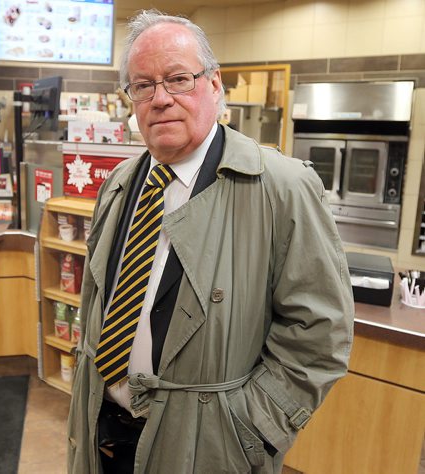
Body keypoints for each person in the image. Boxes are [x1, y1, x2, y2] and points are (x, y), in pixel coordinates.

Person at [68, 9, 354, 474]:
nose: (159, 99)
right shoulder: (121, 182)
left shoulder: (281, 187)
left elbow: (321, 333)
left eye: (178, 79)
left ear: (215, 84)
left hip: (207, 450)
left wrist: (250, 429)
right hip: (107, 435)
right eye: (142, 85)